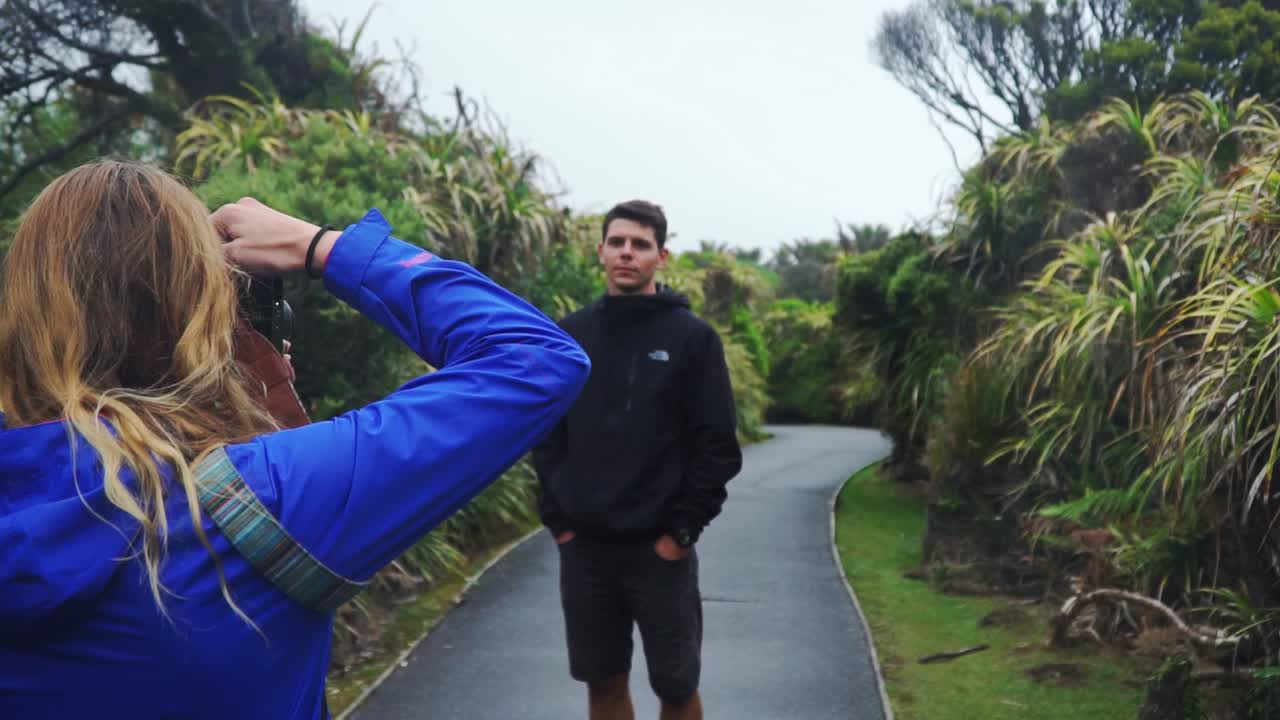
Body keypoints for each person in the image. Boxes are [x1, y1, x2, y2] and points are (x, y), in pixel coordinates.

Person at [0, 159, 590, 718]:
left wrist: (249, 412)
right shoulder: (261, 502)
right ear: (201, 311)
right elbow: (534, 357)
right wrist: (323, 247)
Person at [533, 200, 743, 720]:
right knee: (602, 681)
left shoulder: (692, 339)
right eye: (618, 242)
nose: (628, 252)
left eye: (640, 244)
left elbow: (716, 445)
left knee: (676, 686)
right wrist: (560, 523)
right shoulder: (570, 335)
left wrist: (681, 534)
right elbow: (545, 433)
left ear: (661, 256)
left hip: (660, 551)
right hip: (585, 551)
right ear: (601, 251)